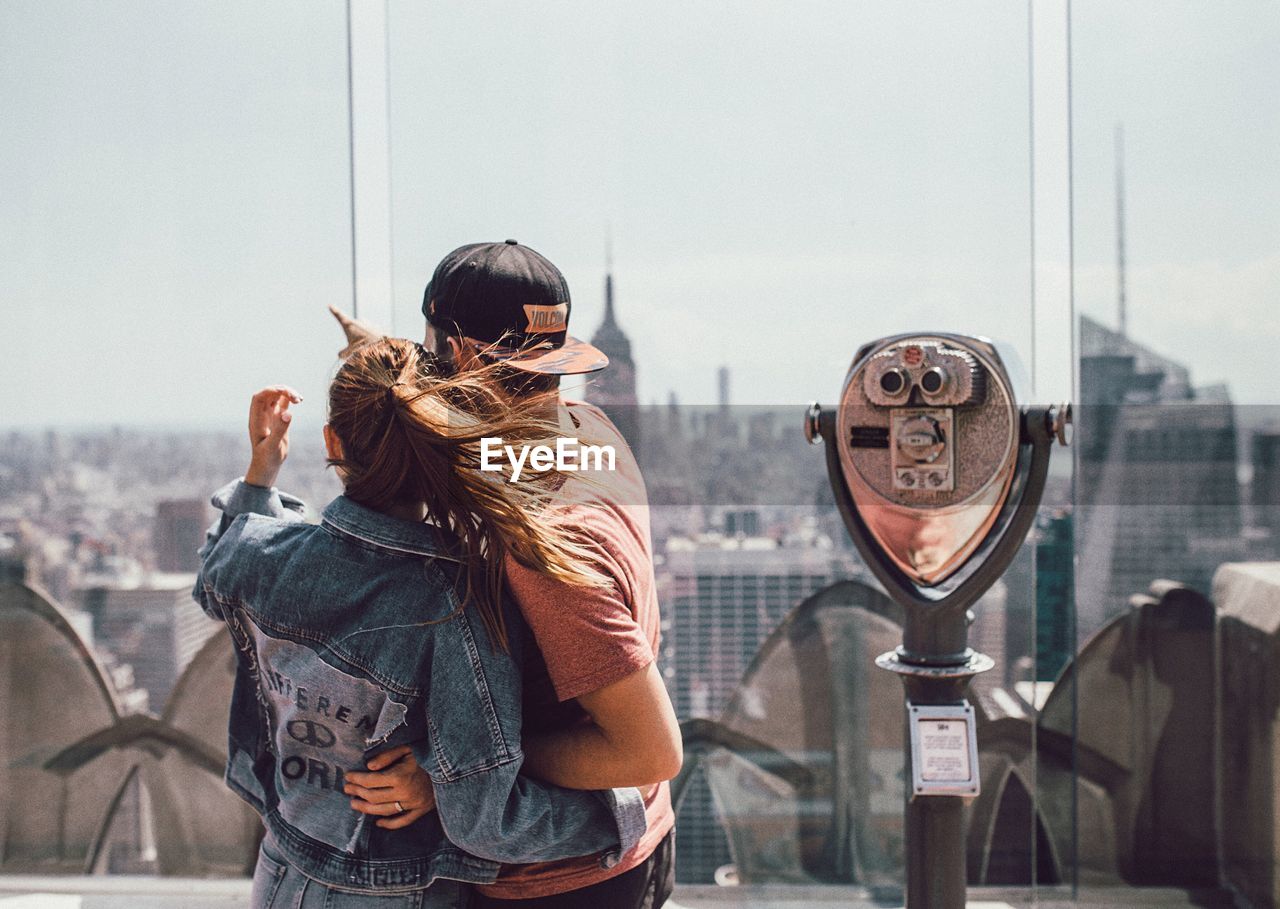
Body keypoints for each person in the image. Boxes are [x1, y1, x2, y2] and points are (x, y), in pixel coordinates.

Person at [193, 338, 649, 908]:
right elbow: (484, 818)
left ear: (332, 442)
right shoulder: (454, 605)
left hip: (281, 872)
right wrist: (616, 816)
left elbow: (215, 575)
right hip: (396, 894)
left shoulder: (267, 555)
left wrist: (261, 475)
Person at [331, 240, 682, 908]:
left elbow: (649, 749)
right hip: (633, 837)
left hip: (563, 878)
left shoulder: (539, 540)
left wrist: (454, 775)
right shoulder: (587, 426)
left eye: (434, 348)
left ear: (460, 354)